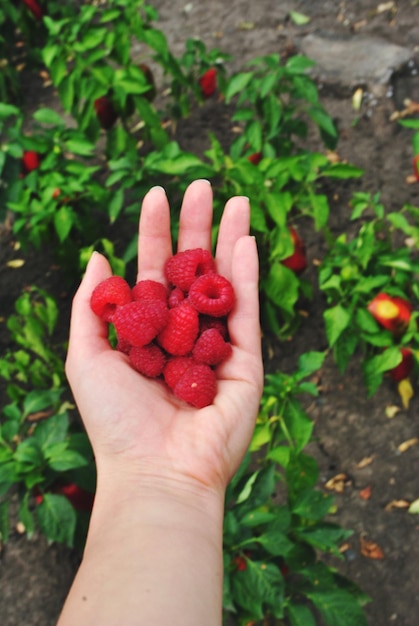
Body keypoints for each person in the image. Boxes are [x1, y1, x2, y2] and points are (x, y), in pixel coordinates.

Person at [58, 179, 264, 626]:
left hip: (183, 353)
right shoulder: (163, 332)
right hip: (175, 354)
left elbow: (184, 326)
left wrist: (190, 333)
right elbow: (166, 327)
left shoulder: (184, 326)